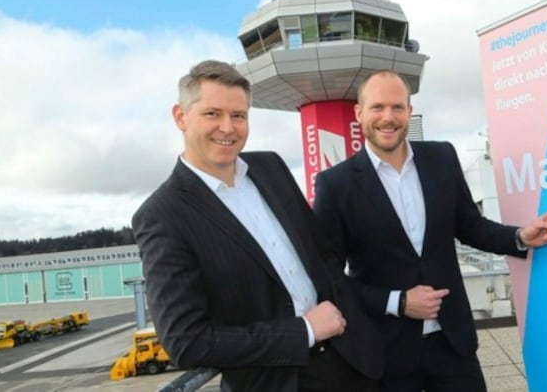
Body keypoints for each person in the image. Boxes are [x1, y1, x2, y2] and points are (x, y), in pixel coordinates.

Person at [312, 69, 547, 392]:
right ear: (360, 113)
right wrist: (398, 301)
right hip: (385, 350)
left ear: (409, 111)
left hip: (452, 343)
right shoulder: (335, 185)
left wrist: (519, 237)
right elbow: (327, 274)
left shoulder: (442, 157)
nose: (388, 117)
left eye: (397, 107)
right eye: (377, 107)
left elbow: (470, 226)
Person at [132, 60, 382, 391]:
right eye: (212, 114)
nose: (228, 127)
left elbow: (322, 254)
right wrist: (304, 330)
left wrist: (347, 316)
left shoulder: (271, 167)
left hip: (352, 361)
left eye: (239, 115)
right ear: (181, 117)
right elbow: (186, 341)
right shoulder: (163, 214)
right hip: (277, 380)